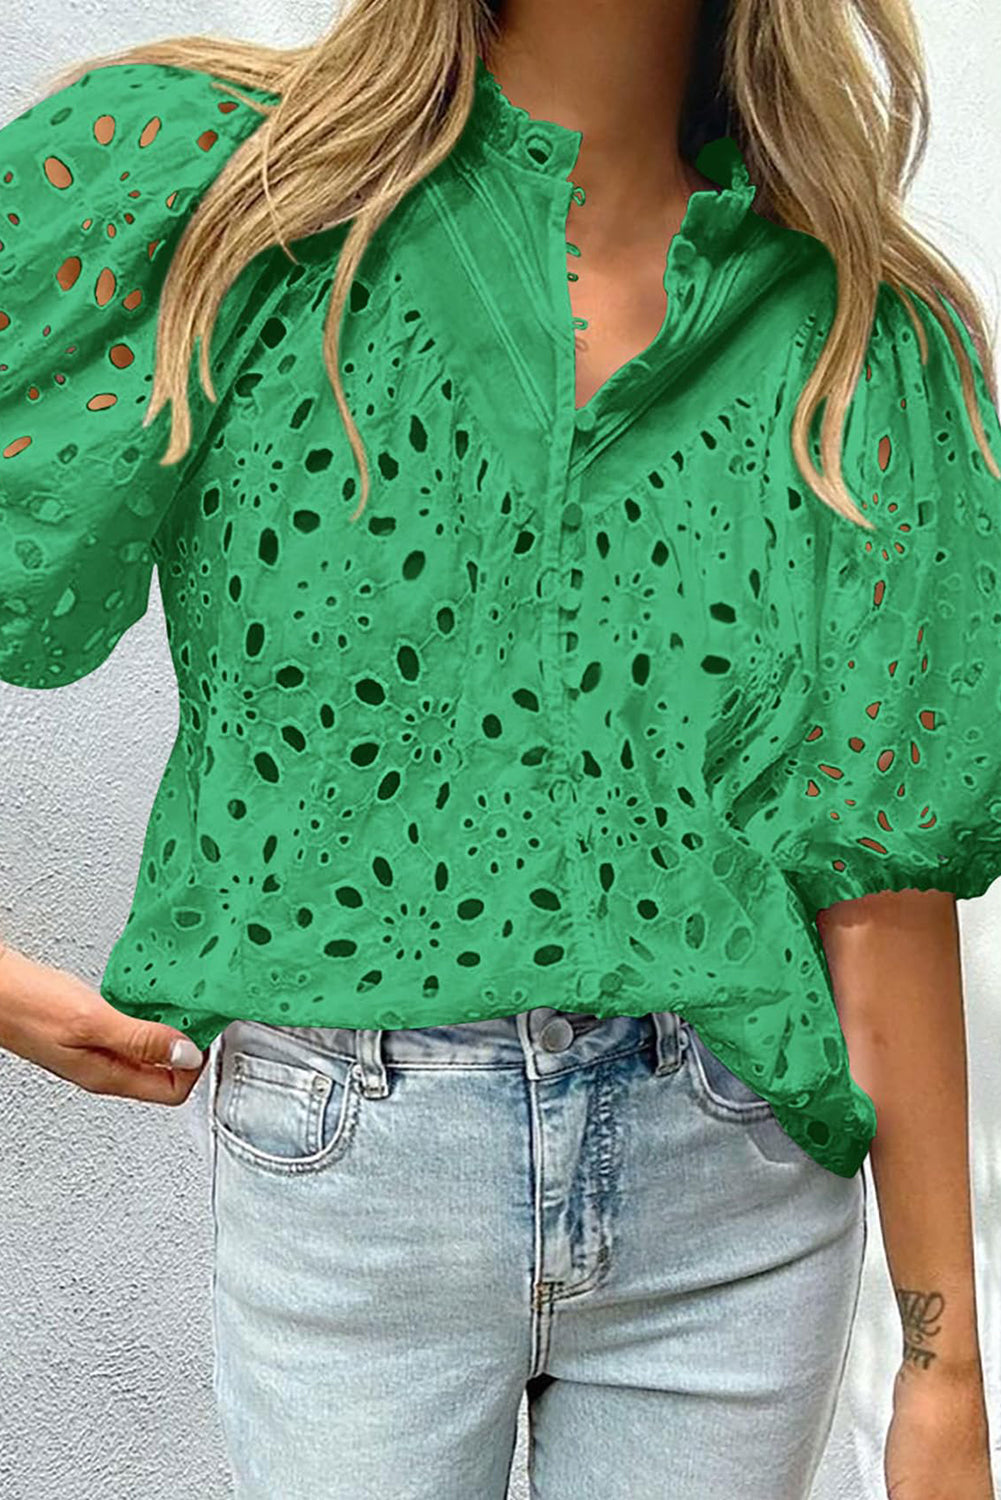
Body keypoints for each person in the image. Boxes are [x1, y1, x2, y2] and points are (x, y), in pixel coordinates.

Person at [0, 0, 999, 1496]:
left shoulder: (864, 336)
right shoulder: (221, 197)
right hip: (353, 1172)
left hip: (731, 1186)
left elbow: (878, 863)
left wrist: (943, 1374)